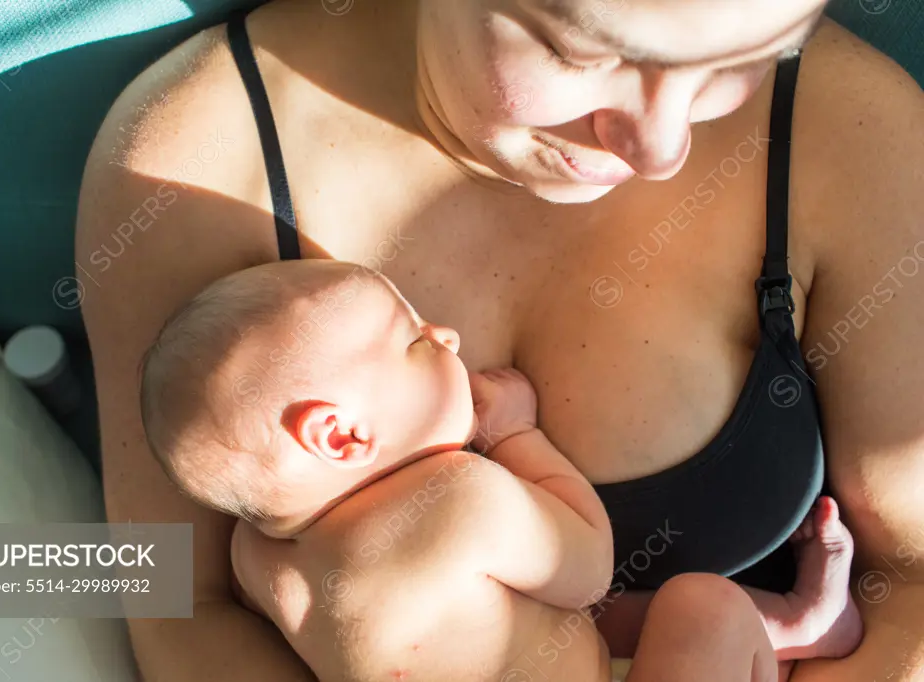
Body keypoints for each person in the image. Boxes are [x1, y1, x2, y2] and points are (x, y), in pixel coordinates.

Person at [75, 0, 924, 679]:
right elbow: (183, 613)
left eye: (738, 62)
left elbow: (915, 585)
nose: (661, 149)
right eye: (583, 53)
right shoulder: (189, 166)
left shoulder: (856, 132)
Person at [135, 259, 862, 682]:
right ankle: (790, 629)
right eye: (414, 339)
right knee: (700, 607)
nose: (443, 331)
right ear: (344, 434)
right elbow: (590, 568)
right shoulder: (458, 498)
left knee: (559, 627)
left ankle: (794, 627)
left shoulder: (253, 557)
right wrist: (518, 436)